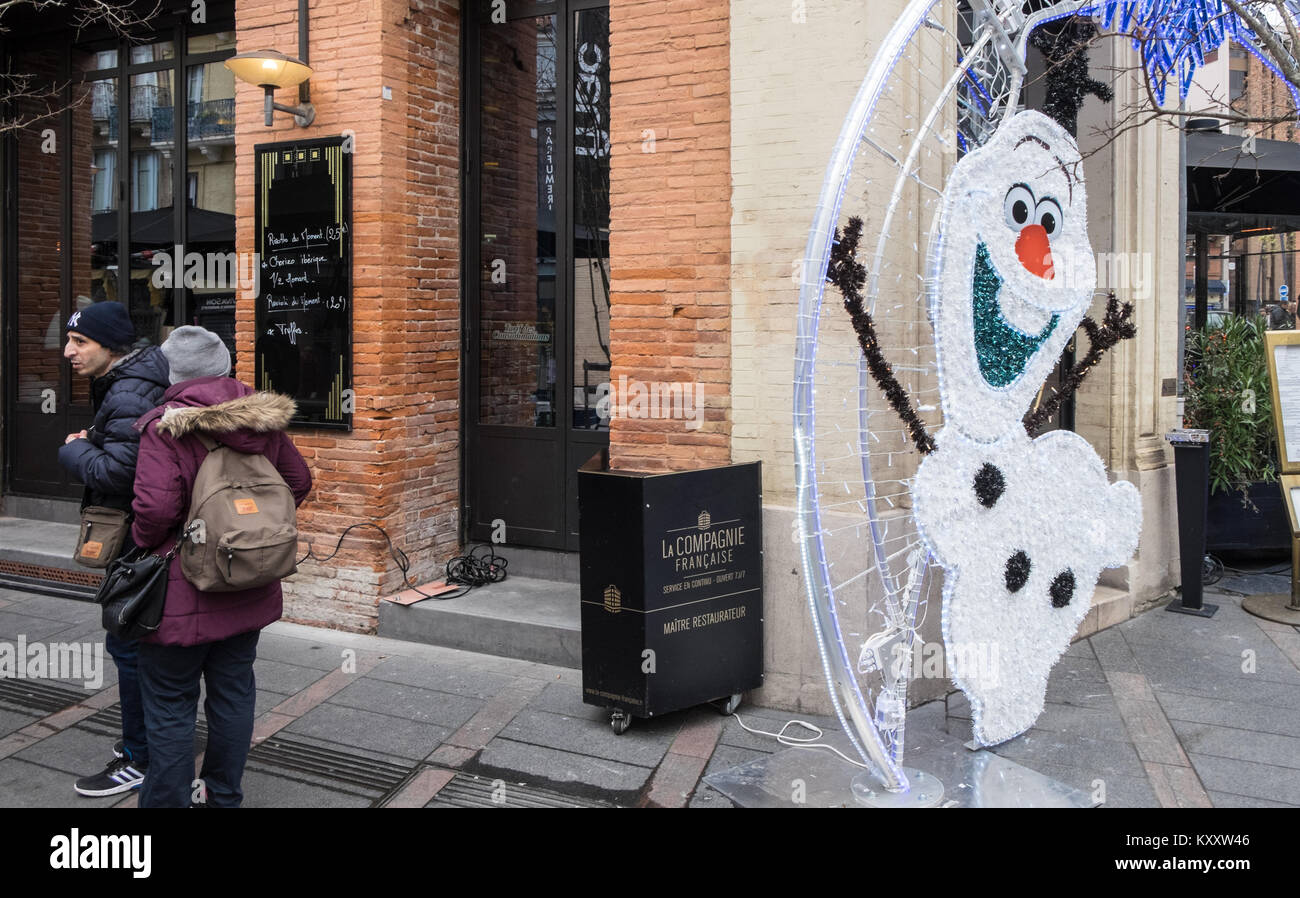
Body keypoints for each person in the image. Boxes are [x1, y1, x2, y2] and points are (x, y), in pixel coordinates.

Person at [131, 326, 311, 808]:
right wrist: (249, 533)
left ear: (170, 373)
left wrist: (147, 546)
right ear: (226, 367)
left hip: (181, 589)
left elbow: (153, 512)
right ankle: (222, 796)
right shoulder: (263, 421)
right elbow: (298, 481)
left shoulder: (166, 425)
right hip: (249, 581)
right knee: (234, 693)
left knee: (170, 704)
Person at [58, 302, 170, 797]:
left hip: (135, 542)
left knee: (127, 645)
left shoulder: (128, 389)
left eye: (80, 342)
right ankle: (153, 746)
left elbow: (121, 475)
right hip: (149, 540)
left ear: (110, 347)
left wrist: (76, 448)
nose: (68, 351)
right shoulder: (136, 381)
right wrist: (97, 439)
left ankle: (140, 757)